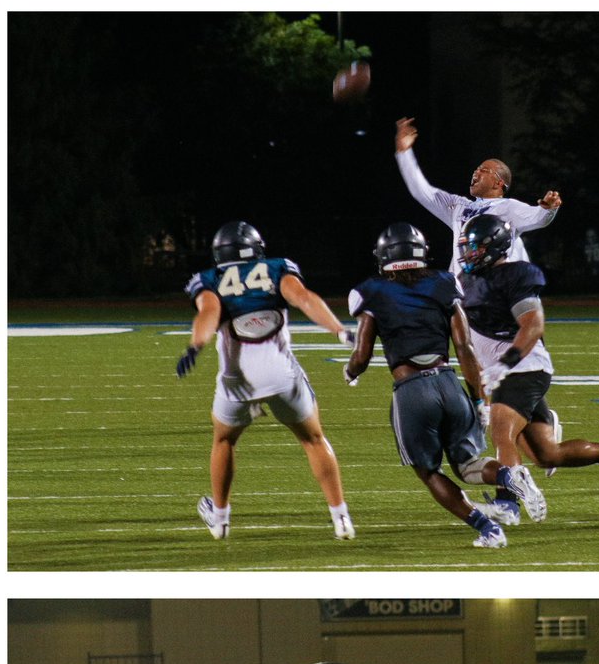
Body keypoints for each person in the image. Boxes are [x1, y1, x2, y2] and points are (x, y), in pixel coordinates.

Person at [344, 222, 545, 549]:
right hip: (449, 383)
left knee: (428, 471)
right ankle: (509, 476)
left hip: (411, 391)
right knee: (467, 466)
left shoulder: (371, 290)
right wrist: (480, 401)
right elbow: (464, 347)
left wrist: (351, 371)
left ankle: (488, 530)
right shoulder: (443, 281)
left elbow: (362, 354)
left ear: (384, 256)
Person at [457, 215, 599, 528]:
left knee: (501, 432)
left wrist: (505, 363)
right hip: (504, 373)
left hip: (524, 367)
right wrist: (483, 386)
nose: (469, 254)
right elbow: (473, 342)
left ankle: (507, 504)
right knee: (548, 455)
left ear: (495, 248)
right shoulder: (469, 283)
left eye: (475, 247)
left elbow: (533, 324)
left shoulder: (515, 275)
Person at [177, 220, 356, 541]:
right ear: (257, 248)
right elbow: (303, 298)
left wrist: (196, 345)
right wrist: (339, 330)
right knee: (313, 440)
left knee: (224, 440)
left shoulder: (209, 279)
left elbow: (209, 311)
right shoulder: (276, 268)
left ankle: (220, 520)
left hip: (237, 380)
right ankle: (341, 518)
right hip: (280, 374)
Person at [394, 117, 562, 277]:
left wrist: (548, 208)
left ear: (498, 183)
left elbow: (538, 218)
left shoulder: (508, 207)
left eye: (484, 169)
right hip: (461, 292)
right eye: (477, 168)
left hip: (491, 291)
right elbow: (421, 190)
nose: (476, 171)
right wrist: (404, 152)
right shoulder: (458, 205)